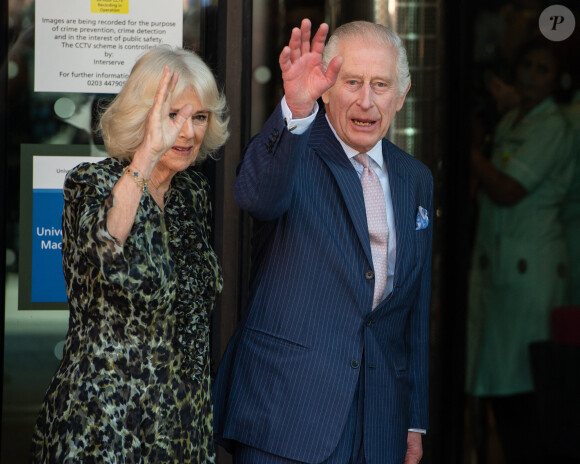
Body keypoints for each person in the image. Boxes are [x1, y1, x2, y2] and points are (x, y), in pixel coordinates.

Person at [214, 19, 433, 464]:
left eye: (381, 84)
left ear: (402, 95)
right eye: (352, 82)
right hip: (286, 416)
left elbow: (414, 311)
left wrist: (413, 419)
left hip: (379, 426)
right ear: (327, 88)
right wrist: (294, 111)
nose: (366, 101)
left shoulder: (415, 178)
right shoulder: (295, 150)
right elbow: (255, 195)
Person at [30, 45, 229, 463]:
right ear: (143, 117)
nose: (189, 132)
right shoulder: (92, 183)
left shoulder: (192, 194)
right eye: (172, 115)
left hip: (182, 421)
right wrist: (145, 157)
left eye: (199, 117)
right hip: (105, 419)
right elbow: (102, 249)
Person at [466, 35, 575, 463]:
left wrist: (469, 151)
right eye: (527, 64)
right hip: (502, 262)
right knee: (500, 380)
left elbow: (508, 189)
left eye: (543, 68)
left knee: (524, 383)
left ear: (558, 81)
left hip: (531, 267)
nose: (531, 73)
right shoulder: (515, 119)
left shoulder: (553, 126)